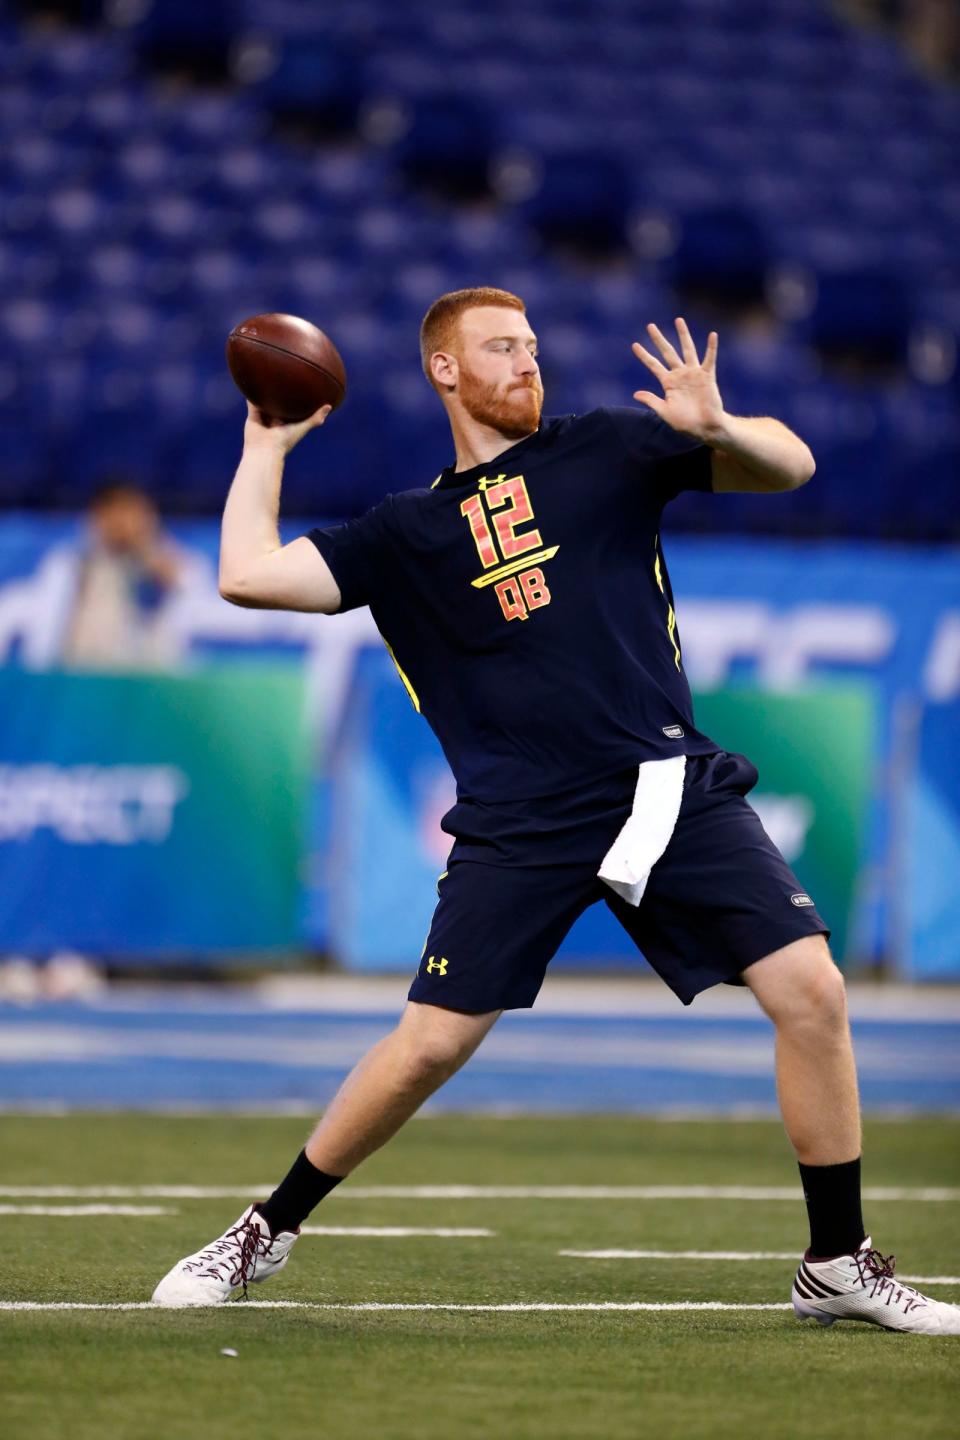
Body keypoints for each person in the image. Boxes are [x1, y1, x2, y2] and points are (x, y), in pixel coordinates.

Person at [152, 288, 959, 1333]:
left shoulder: (609, 449)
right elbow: (245, 576)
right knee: (429, 1047)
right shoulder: (408, 531)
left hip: (665, 783)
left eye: (532, 345)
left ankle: (838, 1261)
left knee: (813, 989)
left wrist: (722, 427)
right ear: (444, 369)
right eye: (500, 348)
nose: (528, 362)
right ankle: (267, 1228)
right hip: (521, 817)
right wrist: (267, 438)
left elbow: (792, 464)